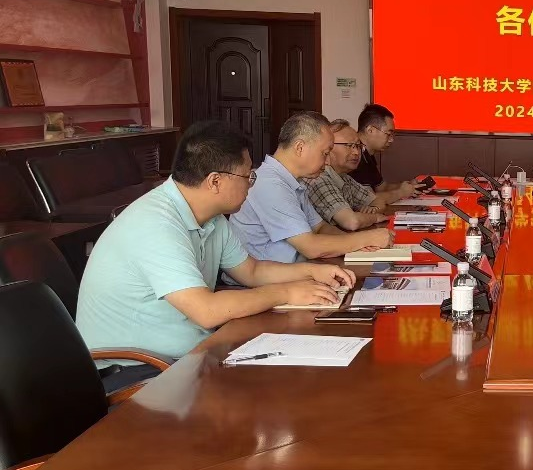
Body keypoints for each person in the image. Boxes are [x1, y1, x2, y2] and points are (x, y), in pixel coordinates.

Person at [77, 120, 356, 360]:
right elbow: (206, 311)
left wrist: (311, 271)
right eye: (248, 176)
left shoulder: (211, 218)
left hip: (193, 354)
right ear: (214, 181)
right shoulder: (156, 224)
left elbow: (252, 272)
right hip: (142, 370)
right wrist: (286, 293)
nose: (251, 184)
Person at [230, 111, 391, 263]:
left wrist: (357, 245)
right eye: (325, 153)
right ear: (300, 147)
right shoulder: (270, 183)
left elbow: (320, 227)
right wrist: (365, 239)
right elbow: (310, 247)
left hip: (299, 271)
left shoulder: (294, 181)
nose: (327, 162)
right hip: (270, 279)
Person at [306, 119, 393, 231]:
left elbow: (378, 201)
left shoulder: (344, 177)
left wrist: (373, 209)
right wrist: (375, 217)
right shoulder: (319, 178)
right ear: (328, 147)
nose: (356, 152)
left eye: (358, 146)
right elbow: (352, 222)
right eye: (348, 145)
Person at [351, 102, 425, 201]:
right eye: (388, 134)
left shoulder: (368, 154)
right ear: (370, 130)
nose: (391, 140)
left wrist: (408, 186)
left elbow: (381, 187)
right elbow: (367, 200)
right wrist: (401, 192)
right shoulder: (354, 155)